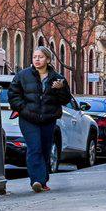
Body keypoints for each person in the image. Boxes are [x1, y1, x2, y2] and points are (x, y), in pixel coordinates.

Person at [8, 46, 73, 192]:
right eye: (35, 57)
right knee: (34, 147)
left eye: (41, 57)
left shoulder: (58, 79)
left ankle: (43, 181)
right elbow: (13, 95)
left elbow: (65, 100)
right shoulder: (22, 75)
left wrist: (60, 89)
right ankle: (36, 180)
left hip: (48, 119)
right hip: (28, 118)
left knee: (45, 149)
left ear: (48, 59)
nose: (37, 60)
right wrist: (23, 109)